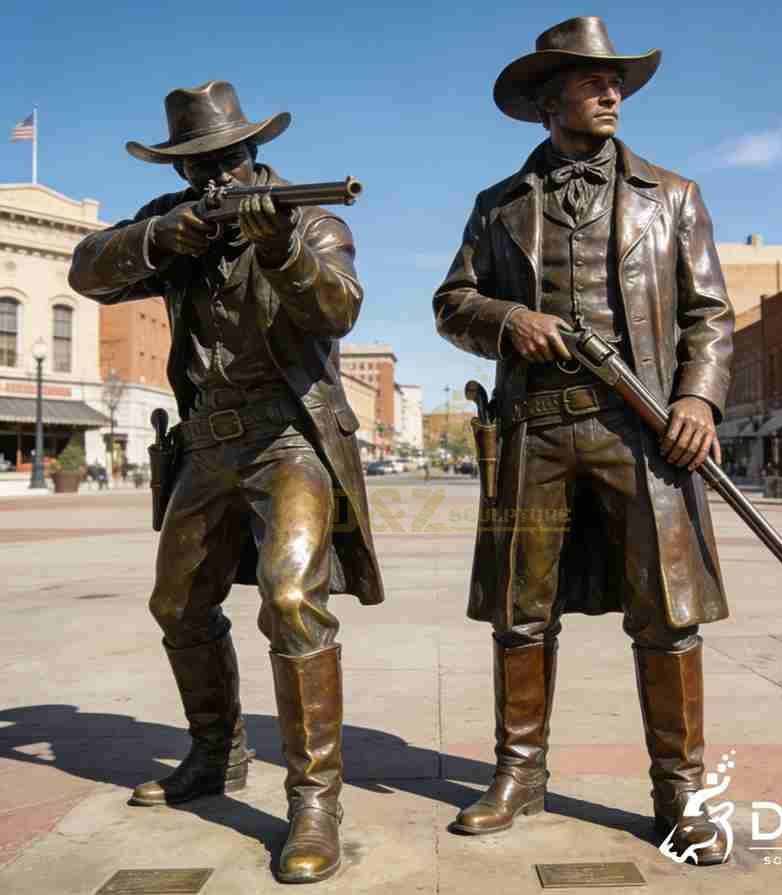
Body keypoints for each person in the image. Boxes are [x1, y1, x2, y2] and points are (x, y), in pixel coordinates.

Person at [433, 18, 734, 864]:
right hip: (535, 429)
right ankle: (518, 772)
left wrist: (698, 400)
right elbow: (451, 303)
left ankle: (679, 791)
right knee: (519, 612)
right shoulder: (497, 206)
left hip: (641, 433)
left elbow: (709, 316)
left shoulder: (671, 196)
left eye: (616, 82)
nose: (610, 93)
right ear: (544, 100)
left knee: (667, 617)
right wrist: (507, 318)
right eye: (590, 81)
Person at [69, 80, 384, 884]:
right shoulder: (175, 224)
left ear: (253, 153)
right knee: (178, 603)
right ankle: (216, 752)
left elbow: (338, 307)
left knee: (288, 599)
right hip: (207, 439)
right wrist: (165, 237)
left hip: (289, 436)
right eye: (198, 164)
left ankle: (315, 799)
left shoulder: (308, 218)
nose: (217, 175)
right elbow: (87, 270)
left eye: (228, 158)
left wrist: (277, 246)